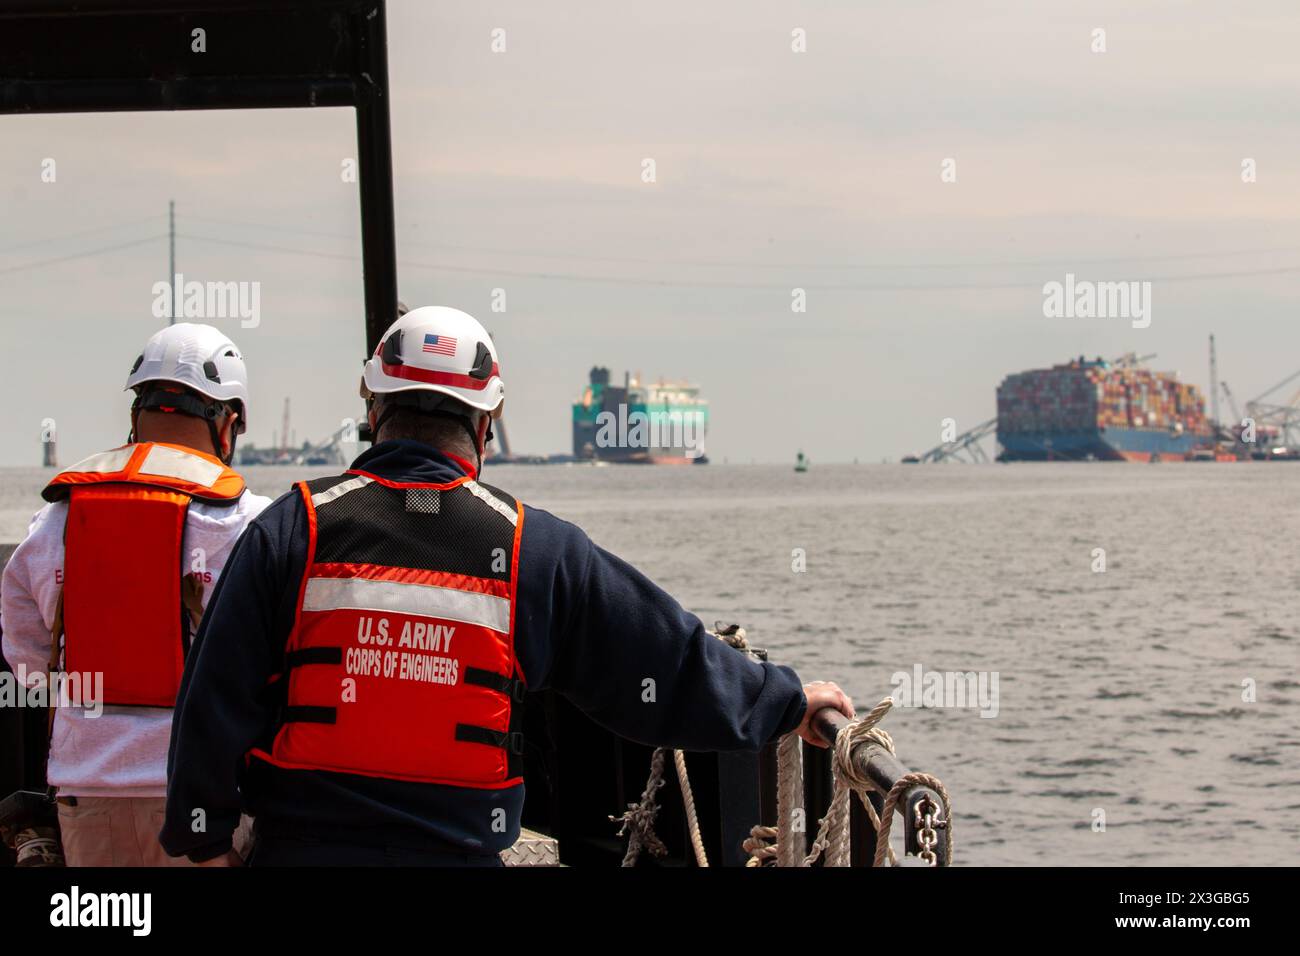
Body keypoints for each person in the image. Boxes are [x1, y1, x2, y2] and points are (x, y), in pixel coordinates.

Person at [161, 306, 852, 866]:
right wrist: (787, 700)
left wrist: (205, 833)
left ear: (375, 410)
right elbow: (663, 661)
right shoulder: (535, 551)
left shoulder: (292, 531)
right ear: (485, 425)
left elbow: (214, 693)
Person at [0, 322, 270, 866]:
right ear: (230, 422)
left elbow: (28, 665)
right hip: (201, 796)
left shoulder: (53, 521)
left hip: (86, 790)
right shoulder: (249, 524)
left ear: (135, 414)